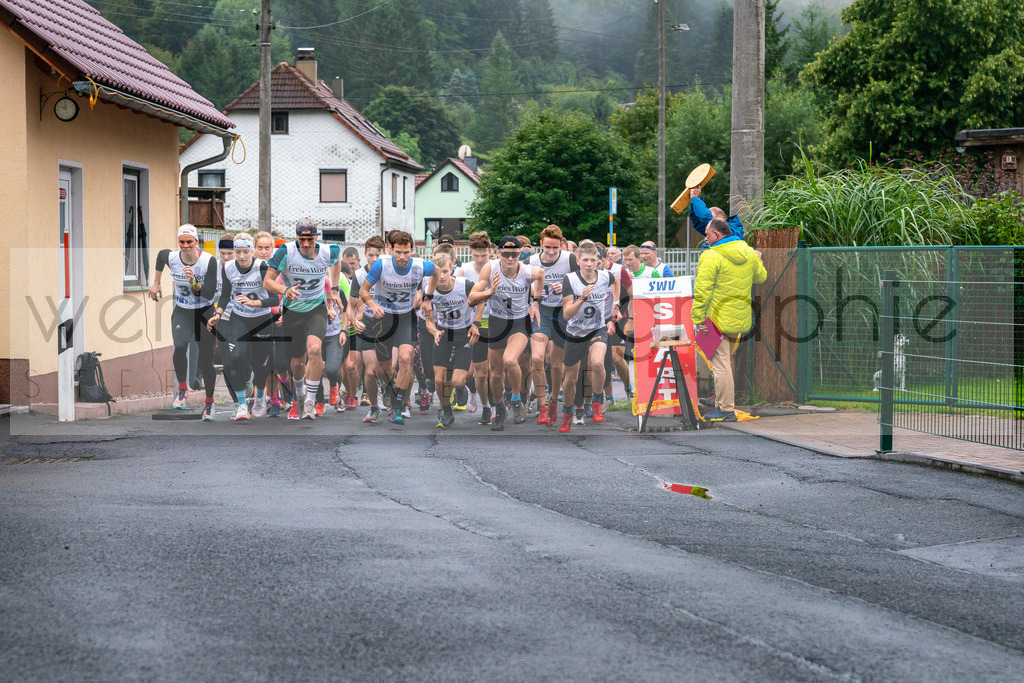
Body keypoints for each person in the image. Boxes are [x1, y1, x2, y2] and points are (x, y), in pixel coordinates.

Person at [263, 219, 343, 421]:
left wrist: (334, 289)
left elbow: (337, 261)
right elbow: (268, 282)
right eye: (301, 240)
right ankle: (299, 395)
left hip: (316, 309)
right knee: (297, 362)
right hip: (293, 311)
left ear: (316, 237)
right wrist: (285, 289)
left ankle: (310, 400)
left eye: (309, 239)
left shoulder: (328, 251)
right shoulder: (286, 252)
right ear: (296, 238)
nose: (306, 244)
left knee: (315, 350)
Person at [465, 235, 544, 431]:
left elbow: (541, 274)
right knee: (496, 375)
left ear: (519, 255)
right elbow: (471, 299)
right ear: (498, 253)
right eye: (506, 254)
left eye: (514, 254)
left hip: (519, 323)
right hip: (497, 323)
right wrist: (489, 292)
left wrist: (536, 302)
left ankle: (516, 399)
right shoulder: (490, 268)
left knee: (510, 360)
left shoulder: (526, 272)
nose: (510, 258)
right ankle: (500, 408)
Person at [691, 218, 767, 422]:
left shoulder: (711, 256)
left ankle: (725, 409)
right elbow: (761, 277)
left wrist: (697, 318)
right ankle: (722, 404)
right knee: (724, 364)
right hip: (739, 320)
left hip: (715, 321)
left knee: (720, 366)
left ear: (717, 234)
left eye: (706, 235)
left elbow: (702, 291)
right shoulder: (749, 253)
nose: (705, 239)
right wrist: (758, 258)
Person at [357, 230, 434, 425]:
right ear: (390, 249)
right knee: (385, 369)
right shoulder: (381, 266)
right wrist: (374, 306)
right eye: (398, 252)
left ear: (412, 250)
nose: (402, 257)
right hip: (384, 318)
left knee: (406, 358)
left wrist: (428, 298)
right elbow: (364, 291)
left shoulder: (419, 266)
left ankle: (398, 405)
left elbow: (436, 272)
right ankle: (389, 392)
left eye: (406, 252)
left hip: (406, 317)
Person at [148, 224, 219, 420]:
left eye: (189, 242)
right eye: (182, 242)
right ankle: (182, 388)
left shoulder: (208, 261)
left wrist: (195, 283)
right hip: (183, 311)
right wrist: (156, 281)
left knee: (206, 361)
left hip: (205, 312)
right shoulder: (172, 258)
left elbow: (210, 293)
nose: (186, 246)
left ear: (197, 242)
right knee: (179, 347)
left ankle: (209, 402)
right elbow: (161, 255)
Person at [211, 233, 276, 421]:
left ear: (252, 251)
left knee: (259, 364)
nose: (241, 256)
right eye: (238, 251)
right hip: (239, 319)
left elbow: (273, 298)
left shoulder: (262, 266)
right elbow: (225, 295)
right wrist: (218, 313)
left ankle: (260, 395)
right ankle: (241, 404)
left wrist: (255, 303)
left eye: (245, 251)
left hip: (262, 320)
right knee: (237, 357)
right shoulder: (229, 267)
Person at [558, 240, 621, 433]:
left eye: (592, 260)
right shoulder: (570, 279)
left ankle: (596, 400)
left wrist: (616, 305)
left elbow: (616, 281)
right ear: (578, 261)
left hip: (597, 329)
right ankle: (568, 413)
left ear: (598, 261)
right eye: (585, 260)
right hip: (575, 333)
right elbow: (567, 314)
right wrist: (582, 299)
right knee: (570, 379)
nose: (588, 264)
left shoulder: (605, 276)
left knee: (597, 364)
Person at [423, 252, 480, 428]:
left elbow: (481, 300)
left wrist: (476, 323)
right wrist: (434, 332)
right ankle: (447, 413)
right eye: (437, 273)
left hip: (464, 333)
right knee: (439, 380)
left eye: (445, 271)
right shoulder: (429, 292)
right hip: (444, 333)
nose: (441, 276)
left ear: (452, 269)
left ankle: (468, 388)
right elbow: (429, 321)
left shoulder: (465, 285)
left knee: (457, 380)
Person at [528, 224, 577, 426]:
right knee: (538, 358)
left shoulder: (570, 259)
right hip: (542, 312)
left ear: (561, 246)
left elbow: (583, 282)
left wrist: (565, 286)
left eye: (555, 248)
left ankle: (554, 399)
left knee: (557, 364)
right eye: (547, 247)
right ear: (541, 244)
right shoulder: (530, 261)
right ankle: (541, 406)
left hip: (563, 314)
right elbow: (520, 282)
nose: (550, 252)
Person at [460, 232, 495, 425]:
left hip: (496, 322)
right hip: (473, 324)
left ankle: (495, 405)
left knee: (494, 370)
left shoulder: (498, 267)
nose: (481, 260)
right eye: (476, 256)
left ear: (490, 252)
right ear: (471, 253)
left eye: (484, 255)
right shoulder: (464, 270)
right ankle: (485, 405)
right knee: (477, 373)